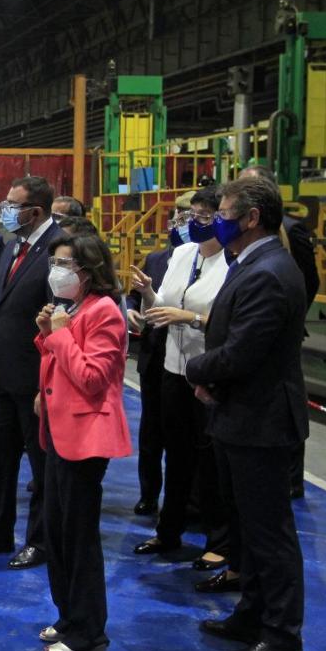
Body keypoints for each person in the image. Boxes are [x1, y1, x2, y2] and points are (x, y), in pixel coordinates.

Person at [186, 174, 308, 651]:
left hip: (261, 421)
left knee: (270, 533)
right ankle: (253, 613)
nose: (218, 219)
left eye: (226, 211)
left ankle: (281, 638)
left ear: (251, 218)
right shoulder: (254, 262)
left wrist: (199, 370)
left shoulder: (268, 271)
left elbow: (243, 351)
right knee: (250, 531)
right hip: (241, 416)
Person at [33, 232, 131, 651]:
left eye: (66, 264)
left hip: (85, 438)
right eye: (54, 261)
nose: (57, 271)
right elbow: (61, 362)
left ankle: (89, 632)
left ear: (89, 270)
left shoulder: (106, 312)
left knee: (79, 537)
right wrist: (46, 335)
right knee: (57, 531)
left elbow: (92, 378)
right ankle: (69, 615)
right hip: (57, 431)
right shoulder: (73, 309)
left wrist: (58, 336)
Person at [0, 176, 63, 567]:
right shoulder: (11, 246)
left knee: (40, 468)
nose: (5, 209)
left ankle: (40, 541)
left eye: (11, 203)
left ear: (34, 211)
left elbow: (60, 322)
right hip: (1, 375)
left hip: (37, 381)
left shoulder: (59, 250)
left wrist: (47, 382)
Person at [129, 186, 231, 571]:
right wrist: (148, 295)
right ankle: (167, 529)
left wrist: (191, 319)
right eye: (190, 217)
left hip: (209, 373)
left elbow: (226, 320)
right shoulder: (182, 255)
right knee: (177, 453)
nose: (193, 224)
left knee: (210, 461)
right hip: (173, 369)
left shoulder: (232, 262)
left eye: (204, 217)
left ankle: (218, 540)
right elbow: (166, 304)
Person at [239, 164, 318, 498]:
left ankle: (290, 479)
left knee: (283, 399)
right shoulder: (241, 234)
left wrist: (287, 318)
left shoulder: (291, 231)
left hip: (279, 330)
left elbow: (307, 281)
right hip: (252, 326)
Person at [125, 192, 194, 516]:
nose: (180, 223)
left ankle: (187, 502)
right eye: (177, 216)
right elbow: (132, 297)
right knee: (151, 434)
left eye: (188, 217)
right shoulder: (156, 259)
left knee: (183, 437)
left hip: (187, 358)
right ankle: (148, 493)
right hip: (155, 354)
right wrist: (131, 310)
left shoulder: (210, 263)